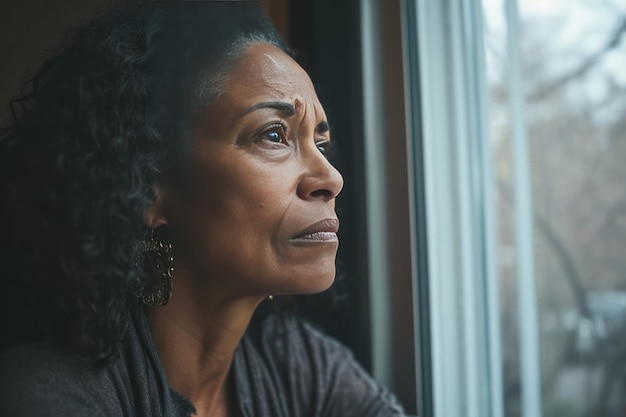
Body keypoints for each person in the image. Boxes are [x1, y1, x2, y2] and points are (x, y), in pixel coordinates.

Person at [0, 2, 409, 416]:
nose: (331, 178)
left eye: (319, 142)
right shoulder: (46, 393)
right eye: (273, 134)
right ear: (146, 185)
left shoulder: (300, 367)